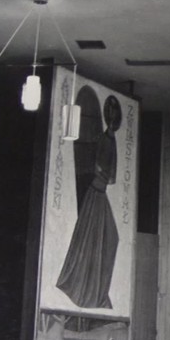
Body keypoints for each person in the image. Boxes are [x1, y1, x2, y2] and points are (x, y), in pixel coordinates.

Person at [57, 95, 121, 309]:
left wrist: (104, 176)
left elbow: (112, 175)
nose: (112, 119)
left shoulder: (111, 139)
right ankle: (85, 288)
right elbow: (98, 167)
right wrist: (101, 175)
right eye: (110, 114)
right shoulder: (103, 139)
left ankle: (97, 290)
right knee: (96, 238)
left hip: (100, 192)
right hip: (95, 192)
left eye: (114, 115)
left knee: (109, 238)